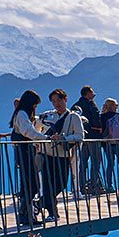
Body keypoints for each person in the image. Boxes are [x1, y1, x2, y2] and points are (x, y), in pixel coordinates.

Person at [35, 89, 84, 221]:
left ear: (65, 99)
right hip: (47, 153)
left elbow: (80, 135)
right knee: (48, 184)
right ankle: (52, 213)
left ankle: (39, 203)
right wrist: (40, 140)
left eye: (59, 100)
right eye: (54, 101)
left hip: (63, 155)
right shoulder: (49, 116)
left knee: (61, 184)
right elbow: (36, 129)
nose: (57, 104)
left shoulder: (74, 117)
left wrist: (64, 138)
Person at [10, 90, 43, 226]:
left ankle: (25, 214)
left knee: (27, 183)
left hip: (23, 150)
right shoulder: (22, 114)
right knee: (32, 183)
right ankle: (26, 214)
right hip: (25, 151)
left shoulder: (19, 114)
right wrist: (44, 138)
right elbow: (27, 131)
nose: (35, 108)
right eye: (35, 105)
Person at [73, 85, 104, 195]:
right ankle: (94, 186)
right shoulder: (90, 104)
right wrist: (98, 128)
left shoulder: (76, 106)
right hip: (93, 136)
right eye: (92, 92)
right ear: (87, 93)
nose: (94, 94)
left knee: (83, 162)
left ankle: (81, 186)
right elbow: (95, 118)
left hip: (82, 138)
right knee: (95, 161)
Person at [99, 97, 119, 190]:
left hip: (107, 143)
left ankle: (109, 185)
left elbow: (101, 130)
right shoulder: (117, 116)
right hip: (118, 142)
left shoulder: (102, 116)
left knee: (110, 164)